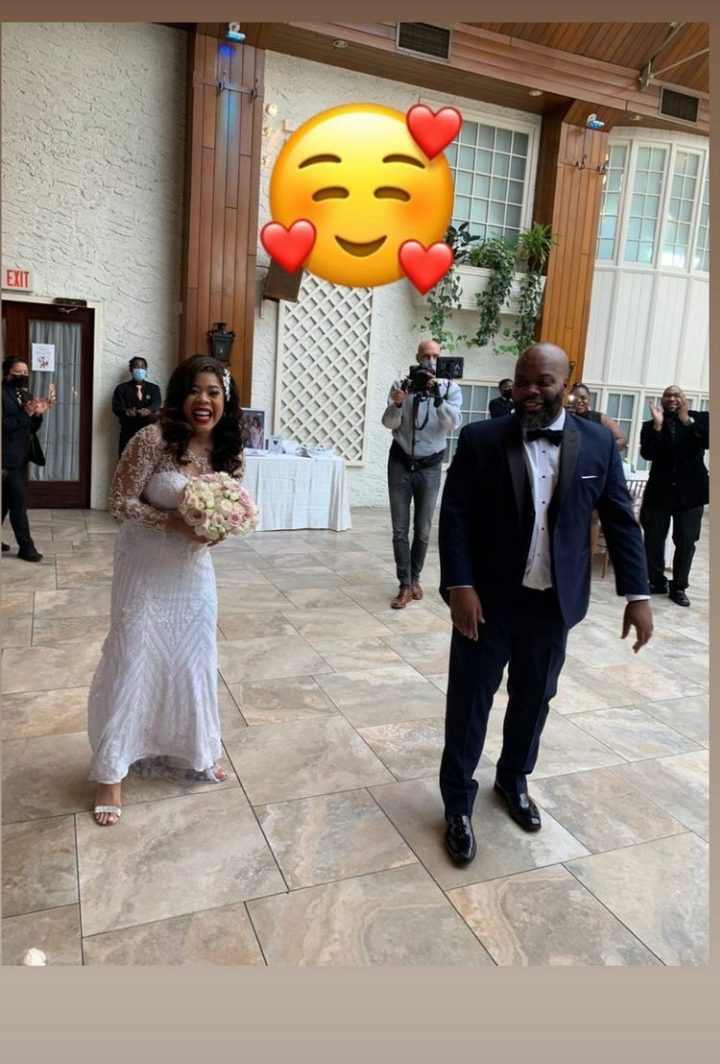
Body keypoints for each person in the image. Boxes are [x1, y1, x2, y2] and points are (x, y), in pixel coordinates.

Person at [438, 343, 652, 866]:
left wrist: (638, 594)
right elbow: (456, 514)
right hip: (488, 603)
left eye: (543, 382)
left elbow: (620, 520)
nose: (530, 391)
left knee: (534, 700)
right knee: (469, 703)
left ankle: (513, 780)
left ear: (567, 384)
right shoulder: (481, 438)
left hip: (553, 606)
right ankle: (457, 805)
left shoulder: (598, 443)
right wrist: (460, 585)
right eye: (522, 380)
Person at [88, 354, 245, 826]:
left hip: (193, 571)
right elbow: (119, 501)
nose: (204, 400)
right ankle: (111, 773)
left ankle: (193, 749)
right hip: (144, 563)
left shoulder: (228, 450)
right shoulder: (152, 439)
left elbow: (231, 506)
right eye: (194, 390)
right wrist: (173, 523)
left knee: (192, 657)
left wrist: (218, 530)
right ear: (179, 395)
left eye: (213, 392)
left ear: (225, 400)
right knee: (135, 653)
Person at [382, 339, 462, 608]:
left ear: (441, 358)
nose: (430, 360)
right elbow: (389, 423)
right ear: (417, 357)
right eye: (426, 355)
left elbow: (452, 423)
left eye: (435, 356)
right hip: (400, 462)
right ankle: (404, 584)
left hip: (430, 466)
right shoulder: (401, 385)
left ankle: (415, 578)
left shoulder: (451, 389)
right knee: (399, 529)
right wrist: (397, 404)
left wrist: (438, 396)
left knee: (424, 530)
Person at [639, 386, 709, 607]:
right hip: (659, 492)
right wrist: (658, 426)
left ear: (684, 399)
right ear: (662, 400)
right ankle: (656, 581)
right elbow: (648, 453)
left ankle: (679, 587)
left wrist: (686, 420)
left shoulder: (700, 419)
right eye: (668, 395)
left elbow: (707, 441)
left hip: (690, 493)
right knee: (653, 538)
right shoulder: (650, 425)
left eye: (676, 395)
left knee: (686, 541)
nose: (672, 398)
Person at [2, 356, 54, 562]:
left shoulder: (25, 394)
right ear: (6, 373)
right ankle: (26, 547)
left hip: (21, 456)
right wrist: (26, 413)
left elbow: (30, 428)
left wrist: (37, 415)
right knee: (18, 502)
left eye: (25, 372)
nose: (23, 376)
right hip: (5, 457)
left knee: (5, 500)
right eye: (18, 372)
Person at [111, 357, 162, 456]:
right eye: (136, 367)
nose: (140, 369)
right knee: (127, 458)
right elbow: (116, 407)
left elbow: (156, 403)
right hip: (128, 431)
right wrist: (127, 411)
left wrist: (148, 410)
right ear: (131, 369)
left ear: (146, 370)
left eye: (143, 367)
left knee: (148, 458)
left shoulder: (154, 388)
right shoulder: (121, 388)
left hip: (149, 431)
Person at [567, 382, 627, 450]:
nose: (579, 401)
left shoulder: (600, 418)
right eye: (575, 398)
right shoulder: (566, 417)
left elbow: (622, 441)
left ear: (589, 399)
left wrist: (601, 450)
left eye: (583, 398)